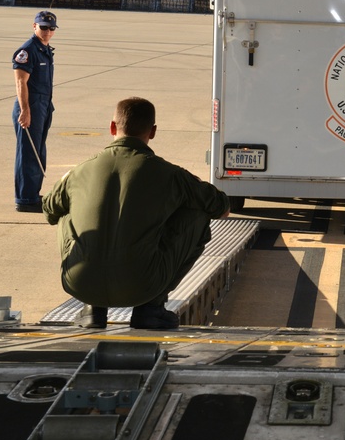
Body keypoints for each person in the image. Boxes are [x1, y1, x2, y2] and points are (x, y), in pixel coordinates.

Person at [43, 97, 230, 329]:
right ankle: (151, 308)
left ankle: (92, 308)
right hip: (142, 285)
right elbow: (221, 207)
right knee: (198, 217)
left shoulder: (79, 170)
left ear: (112, 127)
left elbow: (49, 210)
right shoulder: (170, 174)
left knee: (64, 212)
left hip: (80, 282)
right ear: (152, 132)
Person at [12, 10, 58, 213]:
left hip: (43, 105)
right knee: (28, 153)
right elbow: (21, 82)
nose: (47, 31)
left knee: (38, 152)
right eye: (43, 27)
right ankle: (25, 199)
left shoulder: (44, 49)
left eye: (51, 28)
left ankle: (32, 193)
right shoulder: (27, 51)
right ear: (34, 26)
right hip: (30, 106)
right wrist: (25, 110)